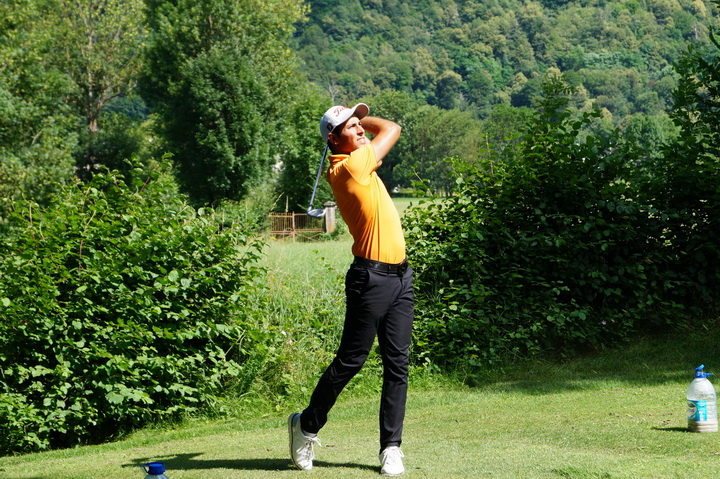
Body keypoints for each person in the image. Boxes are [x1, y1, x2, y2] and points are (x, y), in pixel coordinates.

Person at [288, 103, 414, 476]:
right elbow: (391, 128)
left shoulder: (356, 159)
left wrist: (353, 118)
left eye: (361, 124)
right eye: (351, 126)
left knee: (398, 365)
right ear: (333, 139)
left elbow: (375, 135)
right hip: (370, 278)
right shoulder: (351, 166)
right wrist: (364, 113)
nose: (360, 130)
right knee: (352, 360)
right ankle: (306, 425)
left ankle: (391, 448)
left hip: (401, 277)